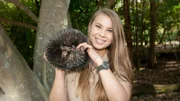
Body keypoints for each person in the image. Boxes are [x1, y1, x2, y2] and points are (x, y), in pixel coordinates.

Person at [48, 8, 133, 101]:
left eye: (110, 30)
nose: (102, 34)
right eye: (98, 26)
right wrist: (59, 70)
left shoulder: (118, 64)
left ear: (115, 36)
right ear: (90, 26)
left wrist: (99, 61)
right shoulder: (74, 60)